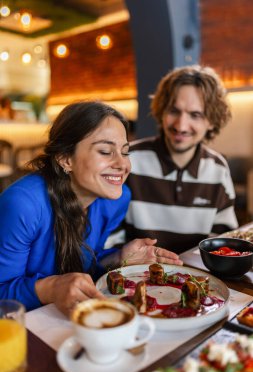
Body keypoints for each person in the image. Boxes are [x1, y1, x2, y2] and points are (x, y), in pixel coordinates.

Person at [0, 101, 182, 316]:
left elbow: (83, 264)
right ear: (65, 159)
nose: (122, 164)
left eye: (125, 152)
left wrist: (118, 258)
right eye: (105, 151)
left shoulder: (116, 200)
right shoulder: (23, 205)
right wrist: (50, 288)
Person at [122, 65, 238, 253]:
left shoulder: (218, 170)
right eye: (174, 111)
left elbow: (222, 243)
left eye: (195, 115)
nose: (181, 125)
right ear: (162, 111)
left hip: (197, 278)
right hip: (134, 275)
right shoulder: (129, 160)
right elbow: (110, 239)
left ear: (211, 121)